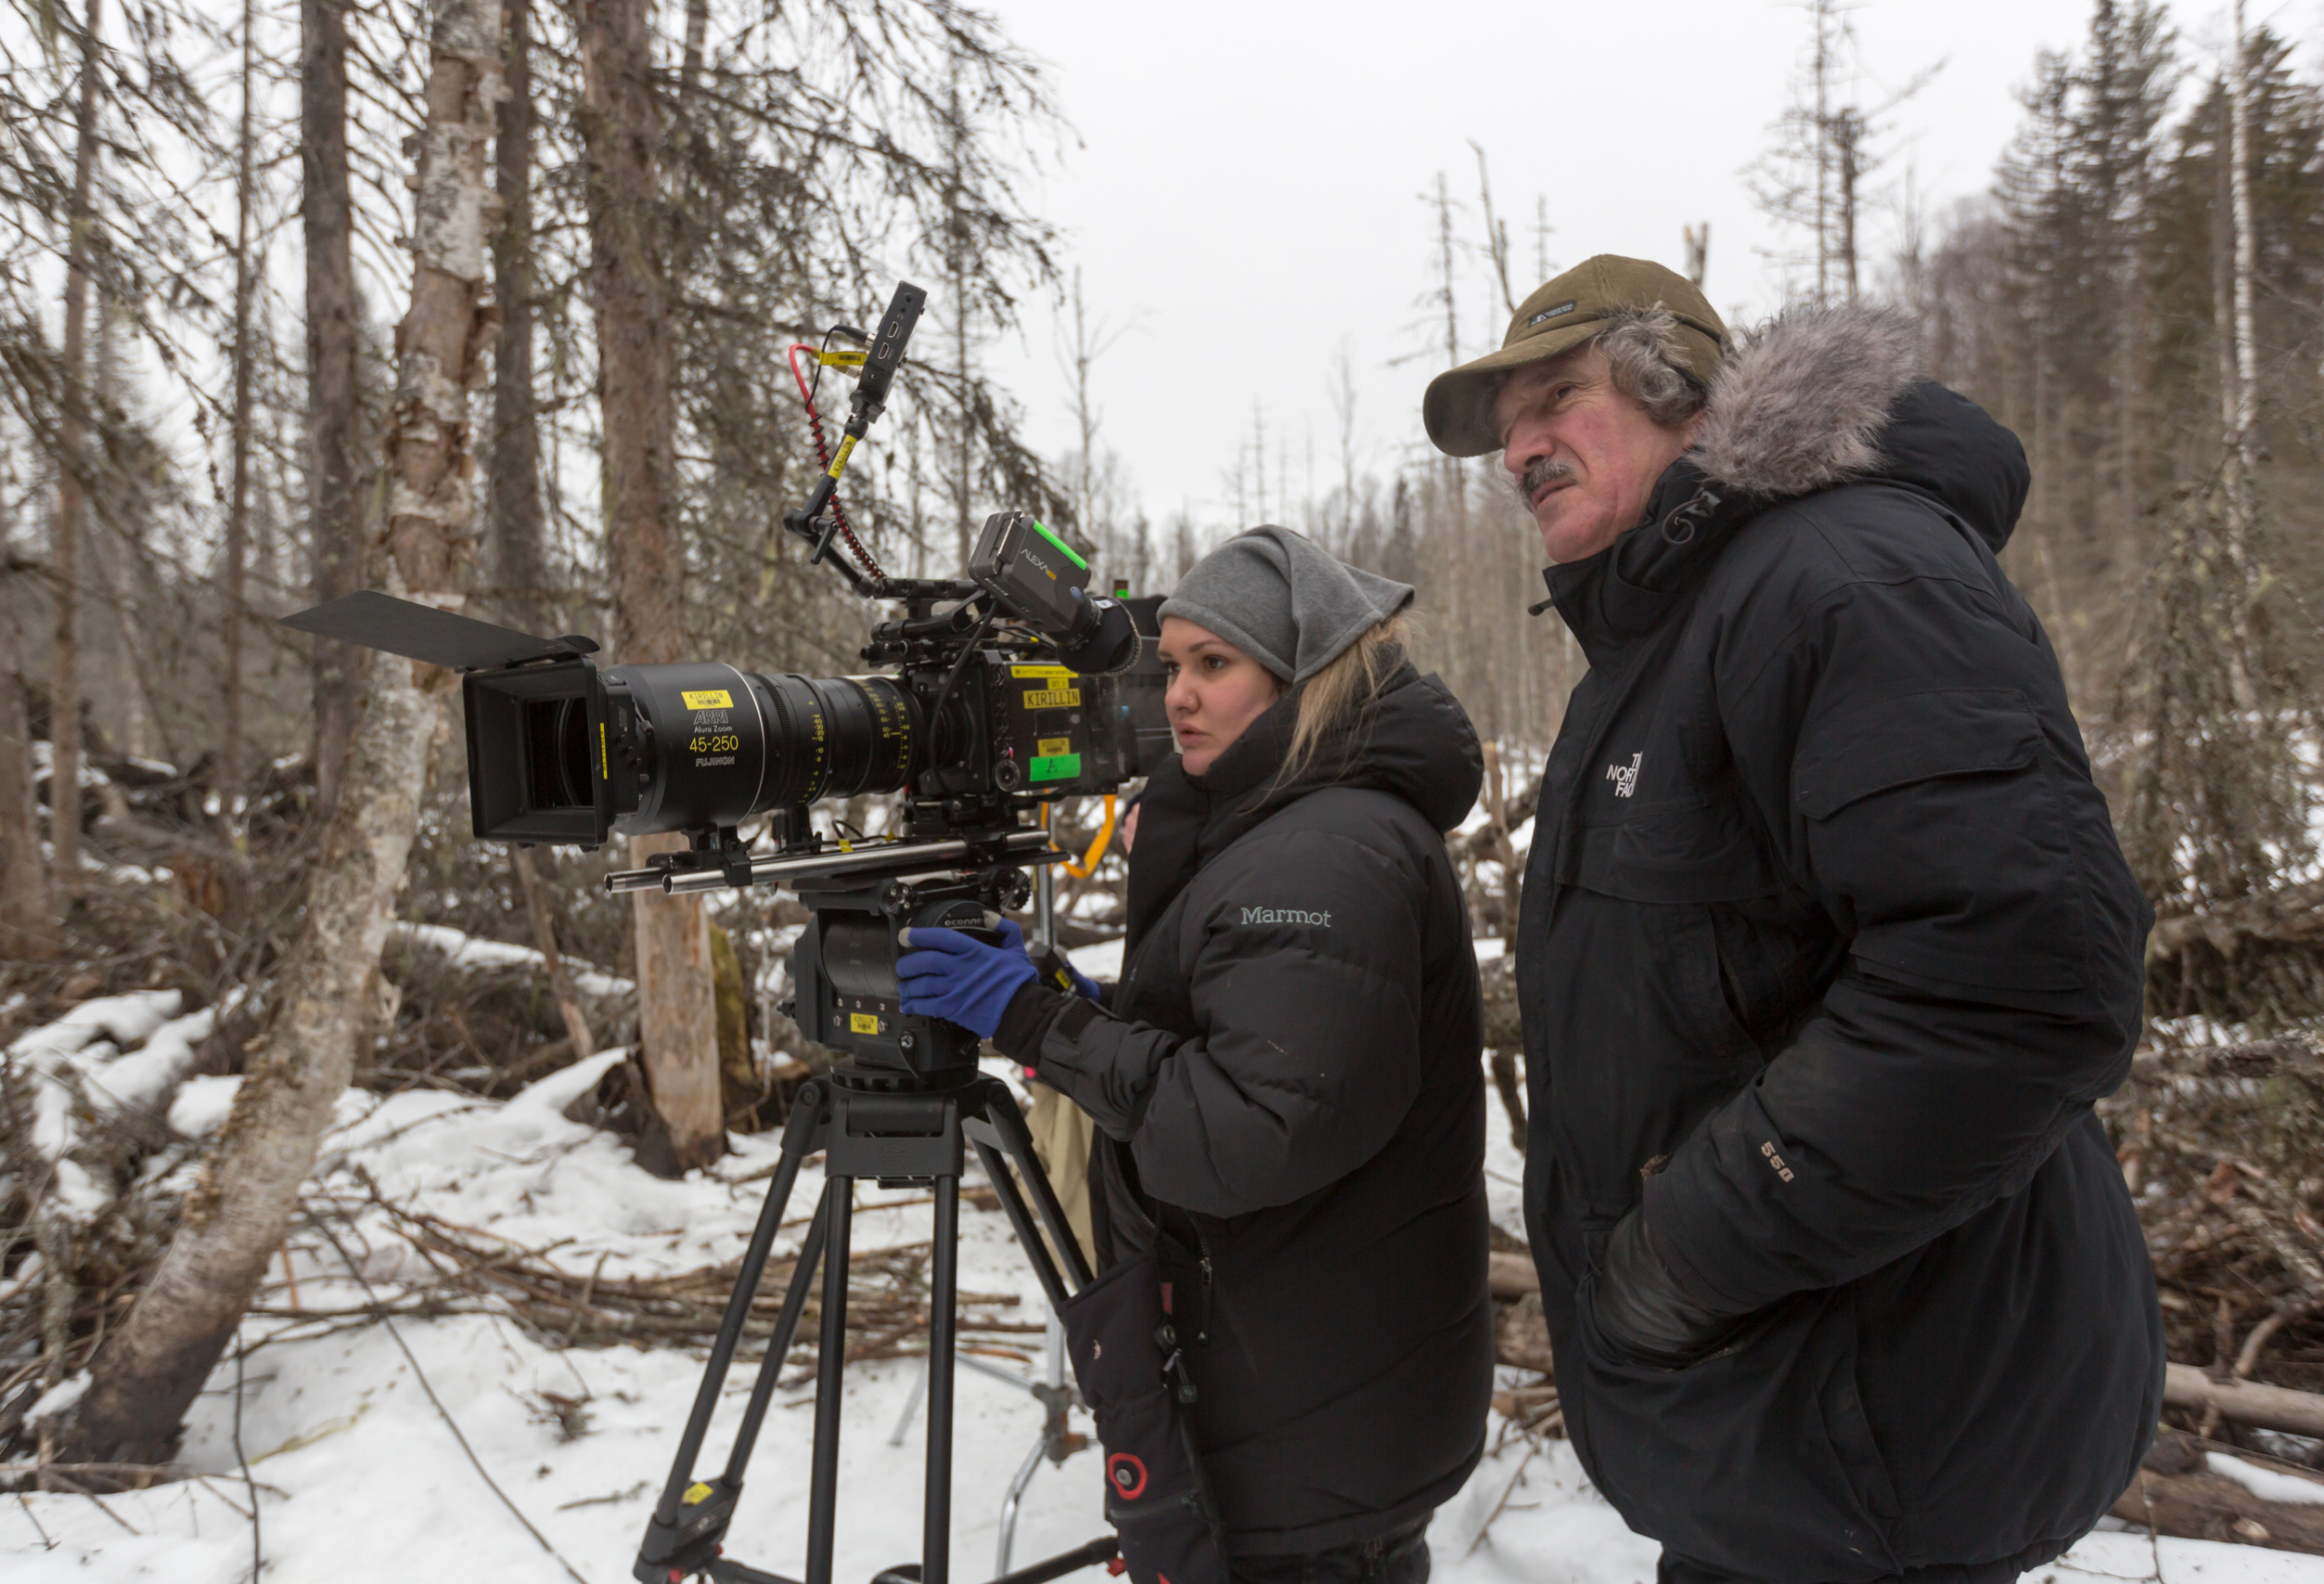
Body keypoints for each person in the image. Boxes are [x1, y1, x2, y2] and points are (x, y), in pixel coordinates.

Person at [1419, 253, 2163, 1584]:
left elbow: (2022, 986)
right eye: (1506, 429)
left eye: (1557, 398)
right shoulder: (1676, 630)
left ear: (1679, 392)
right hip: (1782, 1441)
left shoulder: (1842, 579)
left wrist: (1681, 1254)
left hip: (1880, 1426)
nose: (1521, 448)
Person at [897, 527, 1492, 1584]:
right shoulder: (1287, 821)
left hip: (1305, 1433)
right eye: (1171, 665)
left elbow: (1244, 1134)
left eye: (1214, 664)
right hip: (1313, 1404)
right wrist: (1082, 1008)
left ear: (1301, 675)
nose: (1177, 695)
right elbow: (1253, 1028)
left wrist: (1034, 1023)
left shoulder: (1325, 852)